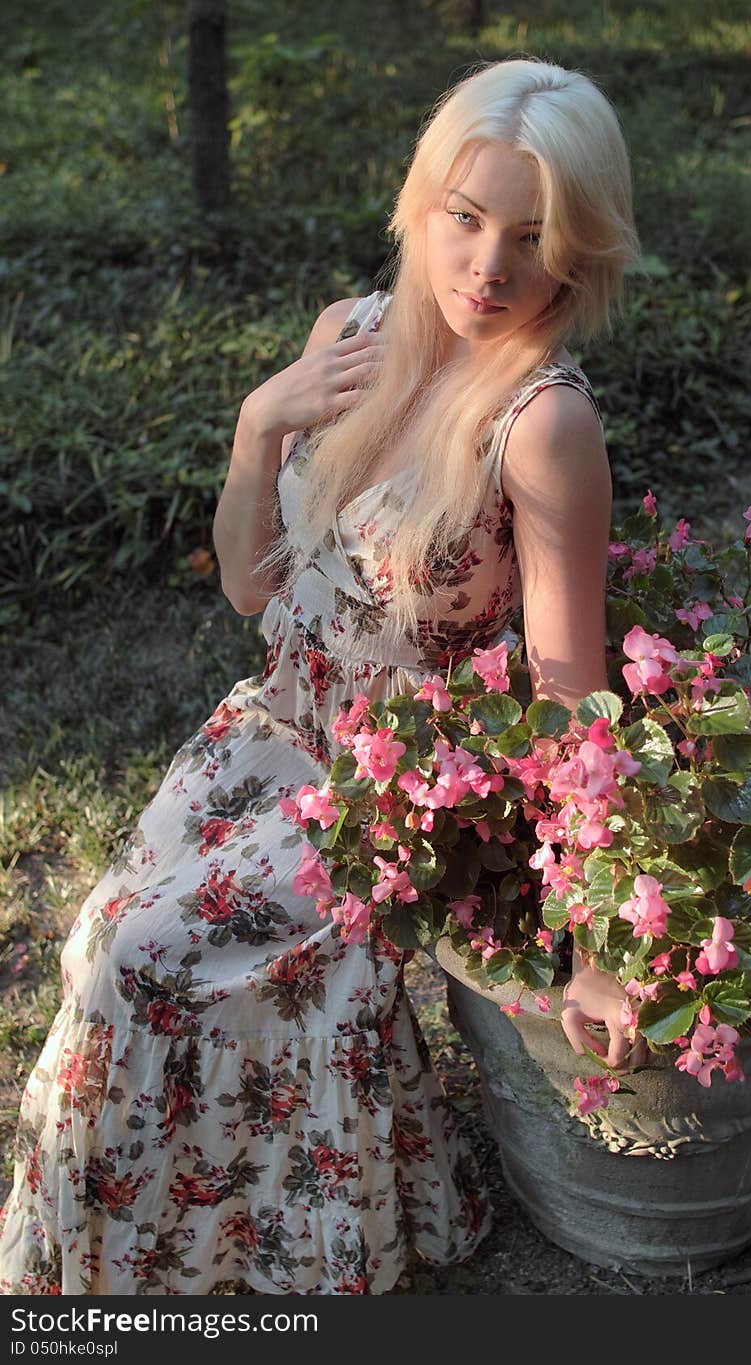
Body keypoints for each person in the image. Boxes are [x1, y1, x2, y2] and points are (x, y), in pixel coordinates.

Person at [0, 56, 641, 1296]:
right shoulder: (347, 336)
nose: (487, 268)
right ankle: (142, 1261)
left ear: (578, 251)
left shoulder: (542, 423)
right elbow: (250, 587)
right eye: (465, 217)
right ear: (419, 201)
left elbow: (571, 691)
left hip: (388, 796)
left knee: (150, 960)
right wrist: (260, 420)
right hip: (272, 725)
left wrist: (597, 938)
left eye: (531, 235)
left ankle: (246, 1256)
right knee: (104, 949)